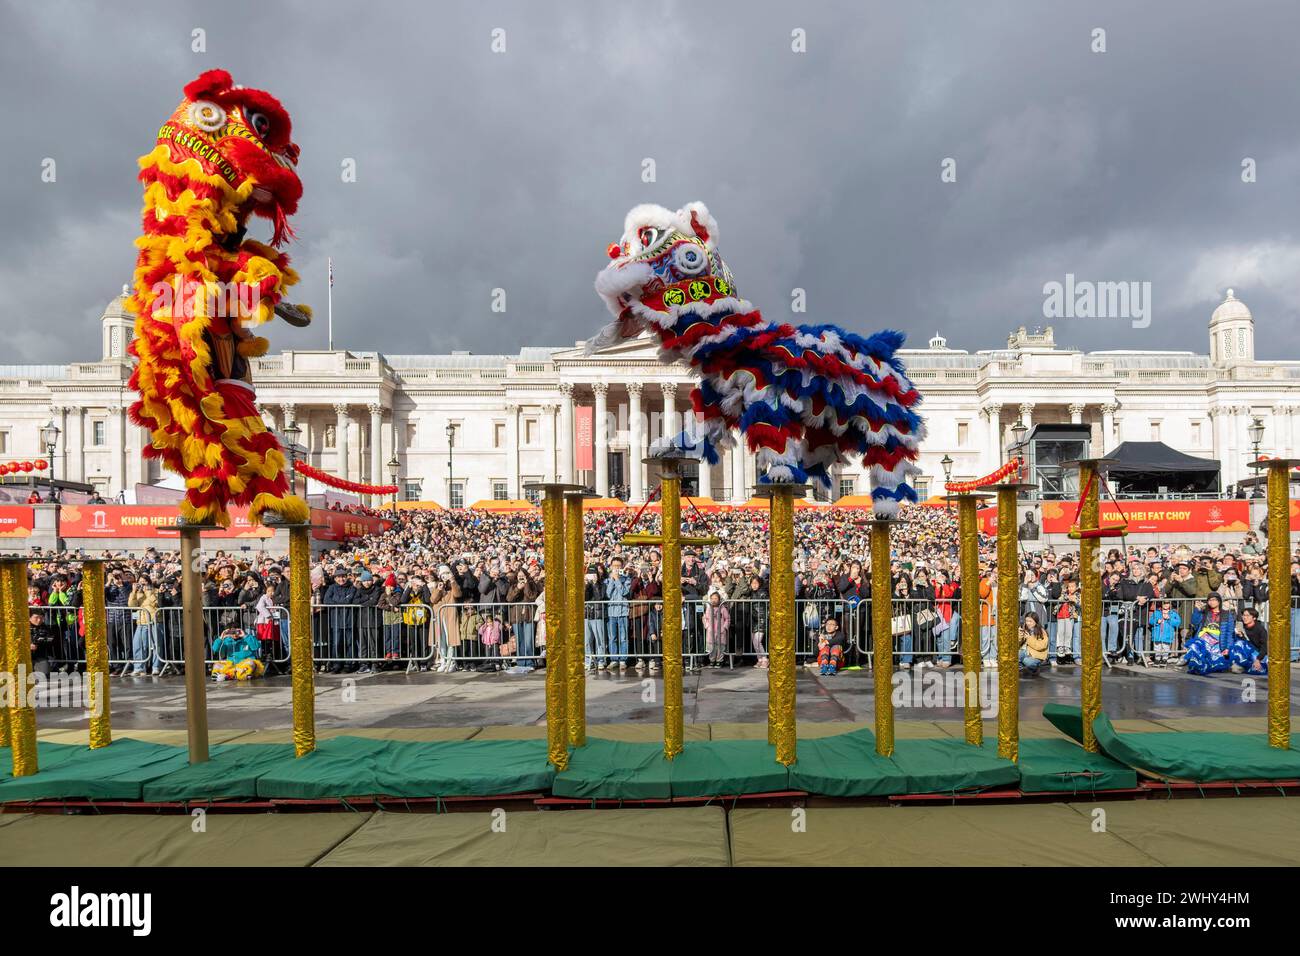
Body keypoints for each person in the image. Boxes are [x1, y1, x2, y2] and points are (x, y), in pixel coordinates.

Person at [1176, 593, 1233, 675]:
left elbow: (1229, 633)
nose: (1212, 602)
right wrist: (1197, 610)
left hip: (1218, 641)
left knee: (1215, 666)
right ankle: (1186, 657)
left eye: (1214, 600)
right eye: (1210, 600)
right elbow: (1194, 623)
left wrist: (1227, 648)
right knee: (1196, 647)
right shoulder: (1204, 613)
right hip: (1204, 638)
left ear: (1219, 601)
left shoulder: (1227, 614)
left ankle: (1189, 658)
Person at [604, 557, 632, 673]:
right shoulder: (607, 580)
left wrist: (617, 580)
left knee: (623, 637)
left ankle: (623, 660)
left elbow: (625, 592)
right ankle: (614, 659)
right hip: (611, 612)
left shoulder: (627, 579)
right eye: (614, 566)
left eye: (618, 566)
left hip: (623, 611)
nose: (616, 568)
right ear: (611, 567)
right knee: (612, 638)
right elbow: (608, 594)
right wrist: (612, 579)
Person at [1230, 606, 1268, 674]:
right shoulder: (1241, 626)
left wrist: (1258, 659)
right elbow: (1246, 643)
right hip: (1249, 652)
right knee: (1238, 642)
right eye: (1243, 615)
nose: (1244, 617)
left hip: (1259, 655)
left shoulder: (1260, 629)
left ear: (1254, 618)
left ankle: (1248, 666)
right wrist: (1241, 636)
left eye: (1247, 615)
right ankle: (1242, 664)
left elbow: (1264, 647)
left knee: (1258, 671)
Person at [1147, 598, 1180, 667]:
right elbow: (1150, 621)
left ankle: (1164, 660)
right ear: (1162, 604)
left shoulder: (1173, 613)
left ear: (1170, 604)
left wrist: (1169, 618)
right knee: (1157, 647)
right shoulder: (1157, 612)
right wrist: (1156, 621)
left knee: (1166, 647)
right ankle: (1157, 660)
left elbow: (1178, 622)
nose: (1166, 605)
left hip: (1167, 634)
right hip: (1157, 634)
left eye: (1167, 603)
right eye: (1164, 603)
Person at [702, 588, 730, 668]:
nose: (714, 600)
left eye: (715, 598)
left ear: (719, 599)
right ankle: (712, 660)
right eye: (712, 598)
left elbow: (727, 618)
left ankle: (719, 661)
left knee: (720, 647)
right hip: (711, 631)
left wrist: (724, 627)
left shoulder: (723, 608)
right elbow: (705, 618)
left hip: (720, 631)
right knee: (711, 647)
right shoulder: (708, 608)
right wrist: (707, 626)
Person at [1017, 611, 1049, 676]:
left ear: (1035, 621)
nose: (1028, 623)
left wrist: (1029, 638)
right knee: (1017, 655)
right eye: (1026, 621)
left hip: (1036, 655)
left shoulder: (1041, 631)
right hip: (1025, 652)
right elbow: (1017, 645)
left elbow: (1041, 646)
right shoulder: (1023, 629)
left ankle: (1035, 669)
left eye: (1030, 621)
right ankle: (1021, 669)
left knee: (1027, 661)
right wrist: (1020, 636)